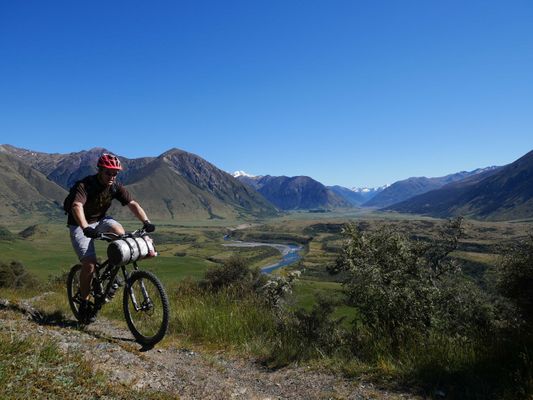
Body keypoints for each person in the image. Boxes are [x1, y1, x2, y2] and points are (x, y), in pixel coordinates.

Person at [66, 153, 155, 323]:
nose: (112, 177)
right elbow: (76, 206)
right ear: (100, 170)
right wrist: (85, 227)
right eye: (109, 173)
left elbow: (132, 204)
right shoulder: (85, 185)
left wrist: (146, 221)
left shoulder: (115, 186)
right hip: (79, 223)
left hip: (101, 220)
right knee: (89, 264)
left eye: (115, 173)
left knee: (122, 238)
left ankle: (109, 274)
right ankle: (84, 302)